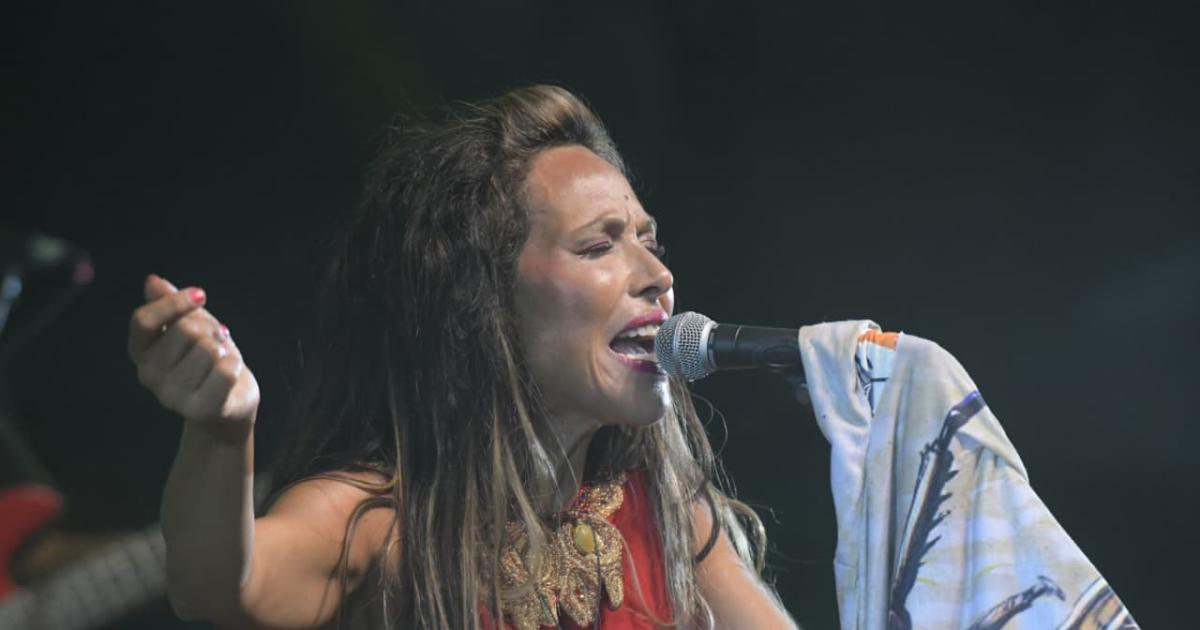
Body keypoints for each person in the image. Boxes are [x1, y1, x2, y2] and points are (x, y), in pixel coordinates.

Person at [127, 85, 798, 629]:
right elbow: (220, 591)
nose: (657, 274)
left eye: (651, 243)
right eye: (599, 246)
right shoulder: (387, 518)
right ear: (485, 303)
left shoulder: (662, 507)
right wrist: (221, 429)